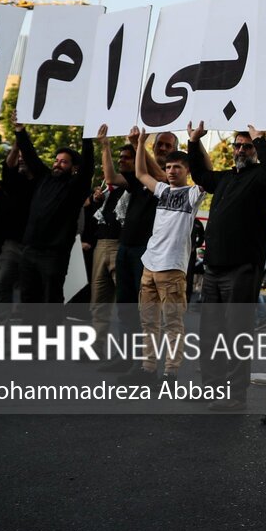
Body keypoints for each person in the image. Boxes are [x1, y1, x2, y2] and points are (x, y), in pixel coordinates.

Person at [185, 121, 266, 411]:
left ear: (255, 150)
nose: (241, 150)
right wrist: (193, 142)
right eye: (238, 145)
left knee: (235, 334)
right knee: (210, 334)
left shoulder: (263, 177)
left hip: (242, 268)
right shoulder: (226, 177)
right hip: (214, 268)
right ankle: (212, 389)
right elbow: (200, 174)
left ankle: (234, 394)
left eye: (247, 146)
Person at [121, 132, 204, 385]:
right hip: (150, 265)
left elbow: (207, 173)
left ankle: (170, 373)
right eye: (168, 167)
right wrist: (140, 143)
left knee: (172, 324)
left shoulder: (193, 193)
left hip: (172, 269)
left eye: (177, 167)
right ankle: (148, 368)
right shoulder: (163, 190)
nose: (171, 171)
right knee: (148, 321)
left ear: (187, 170)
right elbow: (140, 173)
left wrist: (196, 141)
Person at [98, 128, 174, 372]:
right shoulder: (140, 175)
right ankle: (126, 356)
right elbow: (111, 177)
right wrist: (105, 145)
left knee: (145, 311)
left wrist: (138, 144)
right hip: (126, 246)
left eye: (168, 145)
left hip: (146, 251)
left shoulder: (171, 177)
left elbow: (159, 176)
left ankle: (143, 363)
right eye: (159, 144)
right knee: (126, 307)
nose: (162, 148)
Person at [13, 113, 95, 311]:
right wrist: (20, 130)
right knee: (28, 300)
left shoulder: (76, 187)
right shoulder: (44, 178)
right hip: (30, 250)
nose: (57, 164)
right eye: (56, 160)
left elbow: (88, 167)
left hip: (53, 254)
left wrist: (87, 134)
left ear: (74, 168)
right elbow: (30, 156)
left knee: (51, 300)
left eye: (64, 162)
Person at [86, 142, 128, 343]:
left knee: (125, 302)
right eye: (120, 158)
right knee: (99, 300)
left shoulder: (135, 182)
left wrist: (105, 146)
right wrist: (97, 200)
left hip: (121, 245)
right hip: (101, 244)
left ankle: (126, 350)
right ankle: (97, 345)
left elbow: (111, 175)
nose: (121, 161)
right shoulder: (108, 187)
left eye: (126, 157)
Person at [0, 141, 35, 324]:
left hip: (37, 246)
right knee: (3, 283)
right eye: (19, 157)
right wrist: (17, 146)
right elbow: (9, 166)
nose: (21, 160)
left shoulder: (44, 182)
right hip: (13, 244)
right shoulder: (14, 181)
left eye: (25, 157)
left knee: (30, 289)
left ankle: (27, 328)